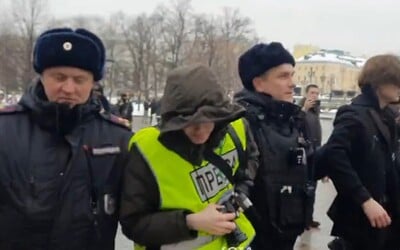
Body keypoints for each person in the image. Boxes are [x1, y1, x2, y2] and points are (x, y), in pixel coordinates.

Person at [0, 28, 132, 250]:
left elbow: (139, 212)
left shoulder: (118, 138)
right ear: (42, 77)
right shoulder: (5, 130)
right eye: (59, 77)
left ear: (93, 83)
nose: (69, 88)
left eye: (80, 79)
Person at [120, 64, 258, 250]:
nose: (200, 131)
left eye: (207, 120)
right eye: (190, 123)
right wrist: (191, 222)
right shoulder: (146, 149)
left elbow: (249, 167)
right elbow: (134, 224)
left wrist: (238, 196)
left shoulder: (238, 129)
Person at [235, 42, 314, 250]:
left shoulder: (293, 121)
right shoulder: (240, 123)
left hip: (286, 233)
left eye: (292, 75)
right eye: (283, 76)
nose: (292, 83)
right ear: (259, 83)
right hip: (253, 238)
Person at [318, 54, 400, 250]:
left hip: (387, 215)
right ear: (379, 83)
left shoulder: (386, 116)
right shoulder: (353, 114)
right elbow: (334, 155)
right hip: (363, 218)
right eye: (396, 81)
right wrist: (365, 199)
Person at [298, 84, 322, 229]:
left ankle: (309, 218)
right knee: (305, 189)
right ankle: (303, 220)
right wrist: (304, 109)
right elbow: (295, 126)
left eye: (317, 93)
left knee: (312, 189)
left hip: (315, 154)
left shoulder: (315, 112)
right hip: (305, 154)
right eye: (312, 93)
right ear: (306, 94)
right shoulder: (300, 110)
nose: (314, 96)